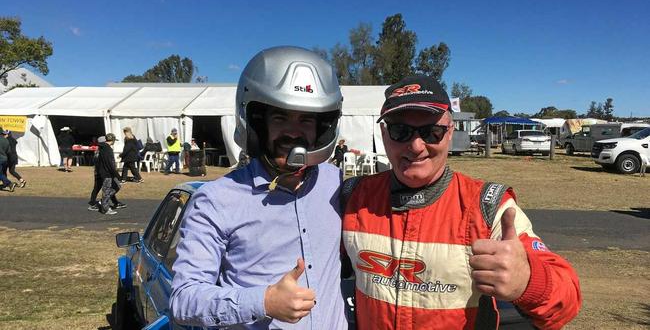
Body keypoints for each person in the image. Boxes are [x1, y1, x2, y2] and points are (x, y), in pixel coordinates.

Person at [341, 75, 581, 329]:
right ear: (383, 133)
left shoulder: (489, 206)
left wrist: (529, 281)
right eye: (400, 131)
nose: (416, 146)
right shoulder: (354, 197)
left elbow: (567, 300)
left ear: (450, 131)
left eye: (431, 132)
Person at [170, 46, 348, 329]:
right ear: (256, 123)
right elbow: (183, 299)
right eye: (280, 118)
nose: (293, 131)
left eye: (305, 119)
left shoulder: (336, 184)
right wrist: (263, 301)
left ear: (322, 128)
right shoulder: (216, 200)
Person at [88, 133, 126, 215]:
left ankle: (103, 202)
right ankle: (105, 208)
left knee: (116, 186)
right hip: (107, 173)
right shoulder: (107, 149)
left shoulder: (102, 148)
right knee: (106, 190)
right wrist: (117, 175)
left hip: (105, 172)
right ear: (112, 140)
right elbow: (110, 164)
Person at [0, 127, 16, 192]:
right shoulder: (6, 140)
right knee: (2, 173)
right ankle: (6, 184)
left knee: (0, 174)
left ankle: (9, 184)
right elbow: (8, 151)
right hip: (5, 159)